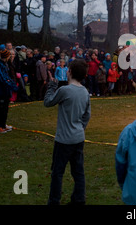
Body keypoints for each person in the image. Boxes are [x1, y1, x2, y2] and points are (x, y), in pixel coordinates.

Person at [44, 59, 91, 205]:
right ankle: (79, 199)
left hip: (64, 140)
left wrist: (52, 86)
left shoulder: (64, 91)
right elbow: (86, 115)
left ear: (69, 72)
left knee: (57, 173)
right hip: (78, 138)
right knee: (78, 172)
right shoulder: (85, 92)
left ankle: (54, 201)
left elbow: (48, 102)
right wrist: (79, 129)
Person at [0, 49, 19, 134]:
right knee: (0, 109)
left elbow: (7, 77)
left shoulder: (5, 64)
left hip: (6, 90)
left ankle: (3, 124)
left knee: (5, 109)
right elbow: (3, 78)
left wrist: (12, 84)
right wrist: (11, 85)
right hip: (1, 90)